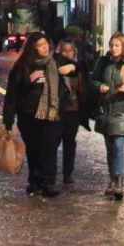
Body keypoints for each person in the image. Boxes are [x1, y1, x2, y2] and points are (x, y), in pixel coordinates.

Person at [3, 32, 69, 198]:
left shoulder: (55, 62)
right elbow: (12, 94)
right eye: (40, 45)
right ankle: (35, 181)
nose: (44, 47)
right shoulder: (22, 67)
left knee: (50, 148)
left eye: (45, 43)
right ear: (32, 48)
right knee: (33, 149)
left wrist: (73, 67)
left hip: (51, 115)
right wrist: (8, 122)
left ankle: (49, 182)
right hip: (28, 115)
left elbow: (77, 68)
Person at [90, 32, 124, 201]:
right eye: (111, 45)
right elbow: (93, 81)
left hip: (121, 112)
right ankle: (112, 180)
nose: (113, 49)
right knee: (110, 147)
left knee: (118, 146)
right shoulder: (103, 63)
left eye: (117, 46)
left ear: (123, 46)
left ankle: (119, 181)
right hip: (106, 111)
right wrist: (100, 87)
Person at [55, 39, 90, 185]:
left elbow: (85, 85)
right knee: (54, 142)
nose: (67, 53)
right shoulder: (56, 67)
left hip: (73, 111)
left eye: (70, 50)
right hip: (58, 111)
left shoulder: (79, 68)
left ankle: (68, 173)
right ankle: (49, 174)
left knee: (69, 143)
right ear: (59, 51)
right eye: (64, 50)